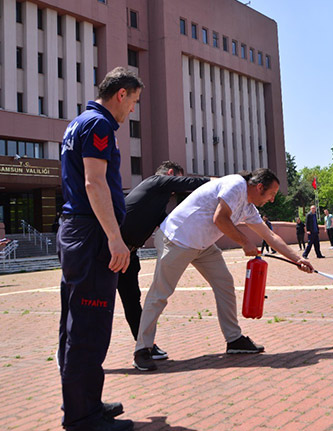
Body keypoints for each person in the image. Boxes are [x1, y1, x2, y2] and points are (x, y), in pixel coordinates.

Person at [132, 168, 314, 371]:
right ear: (259, 187)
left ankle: (234, 340)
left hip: (202, 245)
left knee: (225, 284)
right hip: (177, 239)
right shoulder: (235, 185)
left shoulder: (248, 207)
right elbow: (220, 218)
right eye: (271, 194)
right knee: (160, 293)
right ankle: (142, 350)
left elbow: (270, 237)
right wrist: (245, 242)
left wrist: (298, 259)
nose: (272, 200)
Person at [57, 67, 142, 431]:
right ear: (120, 94)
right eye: (134, 101)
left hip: (77, 231)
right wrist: (114, 237)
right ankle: (83, 417)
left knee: (75, 325)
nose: (133, 110)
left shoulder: (79, 122)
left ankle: (84, 404)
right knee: (89, 328)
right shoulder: (100, 125)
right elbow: (95, 184)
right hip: (91, 234)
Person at [118, 161, 209, 360]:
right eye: (176, 179)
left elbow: (172, 226)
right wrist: (219, 182)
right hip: (110, 252)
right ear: (170, 174)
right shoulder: (156, 182)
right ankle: (75, 347)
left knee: (132, 303)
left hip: (129, 255)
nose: (175, 190)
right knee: (96, 302)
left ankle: (146, 346)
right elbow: (191, 183)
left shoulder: (157, 204)